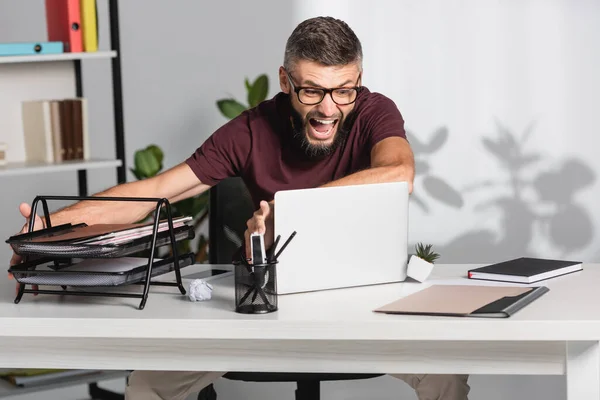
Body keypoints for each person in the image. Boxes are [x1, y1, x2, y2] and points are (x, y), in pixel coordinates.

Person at [9, 16, 469, 400]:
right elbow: (159, 190)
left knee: (444, 374)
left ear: (358, 83)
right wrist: (52, 229)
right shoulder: (250, 129)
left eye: (343, 90)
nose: (329, 109)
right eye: (311, 90)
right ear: (285, 80)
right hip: (261, 298)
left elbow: (398, 174)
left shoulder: (374, 111)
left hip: (363, 298)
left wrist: (288, 214)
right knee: (149, 385)